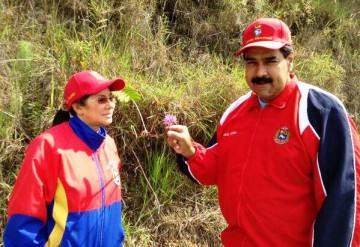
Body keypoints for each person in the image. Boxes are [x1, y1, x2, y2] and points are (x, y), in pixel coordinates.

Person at [166, 18, 360, 247]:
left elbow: (346, 200)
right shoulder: (234, 113)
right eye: (252, 63)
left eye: (270, 61)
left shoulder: (320, 111)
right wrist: (190, 152)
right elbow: (214, 169)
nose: (260, 72)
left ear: (290, 61)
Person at [3, 70, 126, 246]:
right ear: (78, 107)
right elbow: (23, 222)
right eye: (101, 99)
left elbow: (113, 214)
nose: (110, 104)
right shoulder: (48, 147)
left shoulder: (109, 145)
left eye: (111, 98)